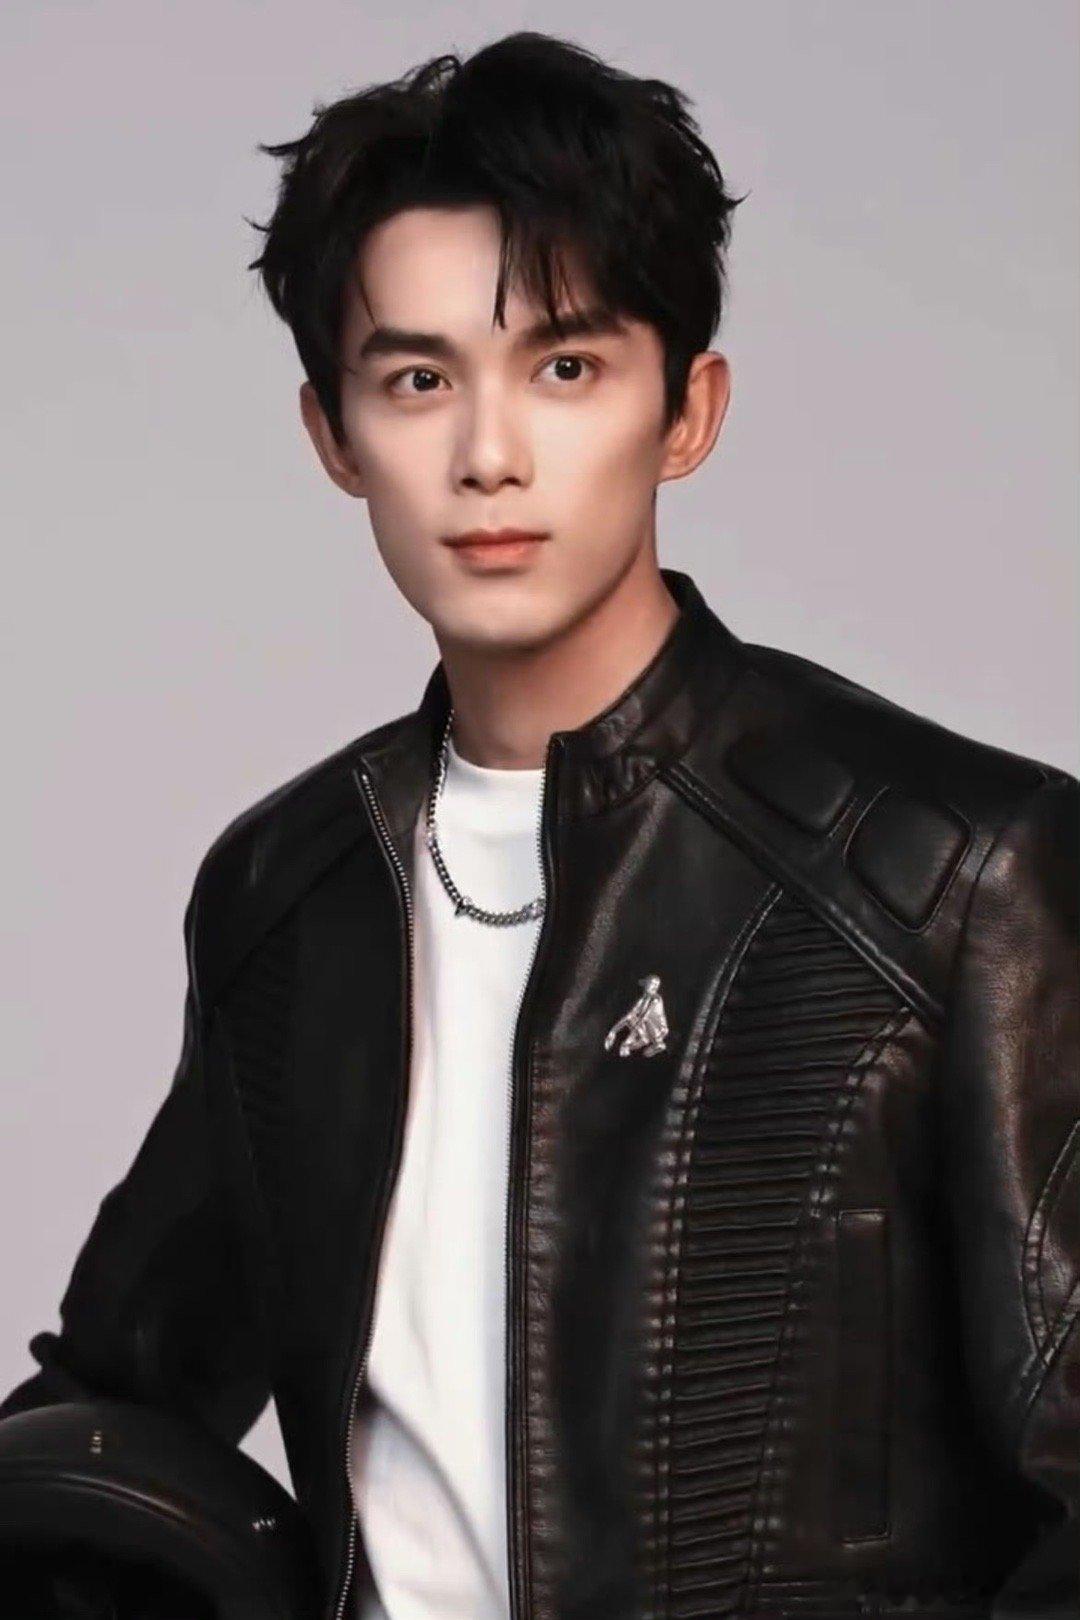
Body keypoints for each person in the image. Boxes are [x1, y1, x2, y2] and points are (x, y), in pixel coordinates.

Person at [2, 29, 1076, 1620]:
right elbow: (109, 1421)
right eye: (418, 380)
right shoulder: (290, 895)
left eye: (566, 368)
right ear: (333, 434)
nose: (488, 457)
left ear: (688, 410)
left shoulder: (953, 879)